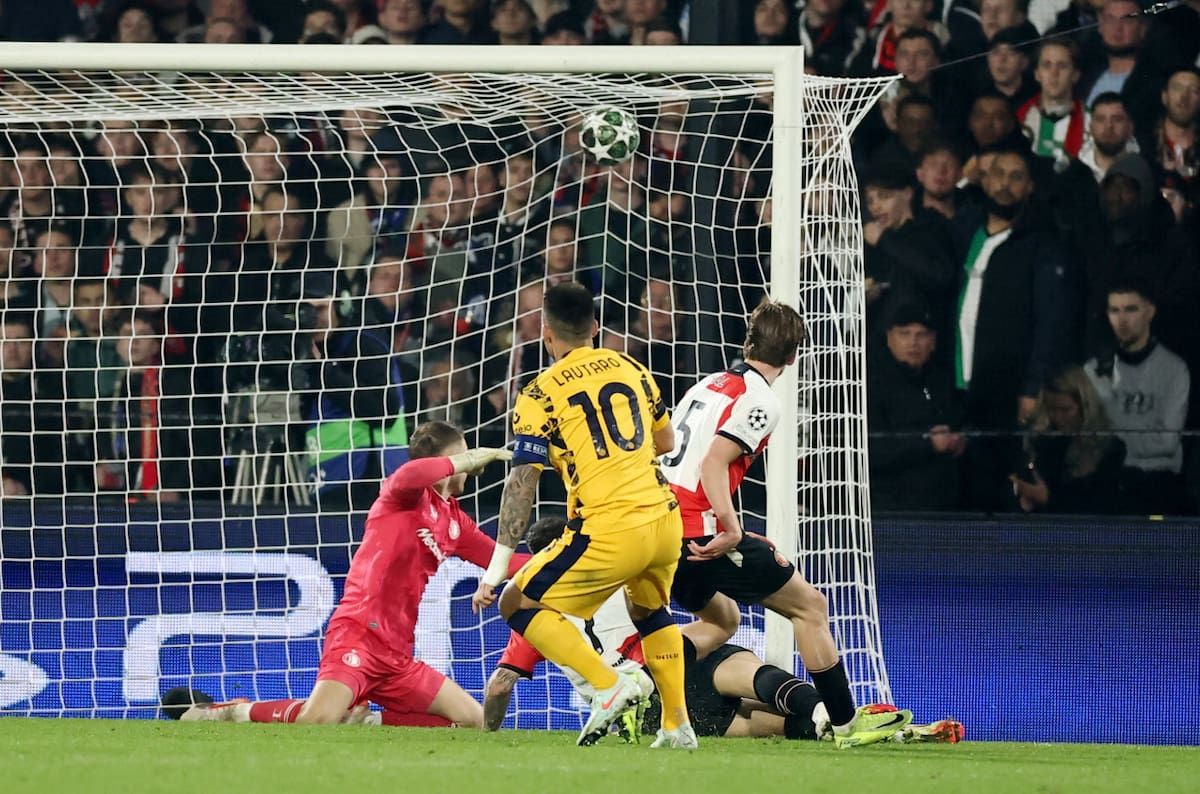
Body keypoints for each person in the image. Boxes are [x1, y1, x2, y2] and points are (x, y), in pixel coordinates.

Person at [657, 297, 913, 748]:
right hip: (698, 534)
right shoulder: (761, 401)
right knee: (809, 606)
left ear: (748, 341)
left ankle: (641, 682)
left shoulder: (707, 384)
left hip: (659, 529)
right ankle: (844, 723)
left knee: (722, 618)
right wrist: (731, 528)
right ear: (795, 356)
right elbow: (715, 463)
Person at [483, 517, 964, 745]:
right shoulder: (617, 564)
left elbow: (502, 683)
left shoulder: (536, 618)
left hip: (651, 702)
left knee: (762, 724)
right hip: (668, 661)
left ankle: (846, 726)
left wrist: (488, 733)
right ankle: (842, 719)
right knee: (750, 671)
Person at [171, 421, 522, 727]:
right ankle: (235, 712)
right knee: (317, 720)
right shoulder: (403, 495)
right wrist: (466, 459)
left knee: (475, 720)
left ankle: (366, 721)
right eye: (463, 457)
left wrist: (562, 560)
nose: (470, 465)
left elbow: (501, 560)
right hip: (358, 633)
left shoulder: (454, 520)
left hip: (397, 654)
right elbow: (410, 474)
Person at [469, 281, 696, 749]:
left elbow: (522, 480)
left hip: (609, 526)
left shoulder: (540, 392)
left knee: (518, 602)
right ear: (595, 328)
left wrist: (495, 569)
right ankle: (678, 724)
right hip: (664, 518)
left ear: (545, 334)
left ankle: (609, 685)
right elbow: (666, 442)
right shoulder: (632, 367)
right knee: (650, 611)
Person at [1085, 284, 1192, 514]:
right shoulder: (1093, 371)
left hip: (1157, 484)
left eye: (1130, 309)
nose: (1122, 320)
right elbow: (1087, 440)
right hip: (1106, 484)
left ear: (1149, 312)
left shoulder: (1173, 369)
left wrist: (1115, 439)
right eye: (1114, 310)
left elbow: (1167, 442)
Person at [867, 299, 966, 511]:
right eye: (904, 334)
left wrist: (959, 441)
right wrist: (928, 444)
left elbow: (963, 424)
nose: (913, 342)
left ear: (933, 341)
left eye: (921, 335)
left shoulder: (944, 382)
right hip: (891, 509)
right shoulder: (871, 385)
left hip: (944, 509)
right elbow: (871, 450)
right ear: (889, 338)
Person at [1010, 367, 1127, 514]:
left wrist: (1048, 499)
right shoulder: (1042, 445)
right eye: (1052, 410)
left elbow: (1101, 507)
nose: (1058, 418)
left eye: (1066, 410)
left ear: (1085, 407)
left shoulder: (1110, 449)